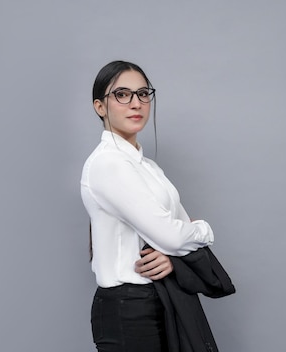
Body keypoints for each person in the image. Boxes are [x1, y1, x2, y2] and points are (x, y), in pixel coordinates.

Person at [80, 61, 216, 352]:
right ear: (100, 107)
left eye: (143, 94)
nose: (136, 103)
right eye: (122, 95)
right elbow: (174, 236)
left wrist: (172, 261)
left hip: (159, 297)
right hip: (128, 308)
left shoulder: (150, 168)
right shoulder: (108, 163)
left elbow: (173, 237)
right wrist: (203, 230)